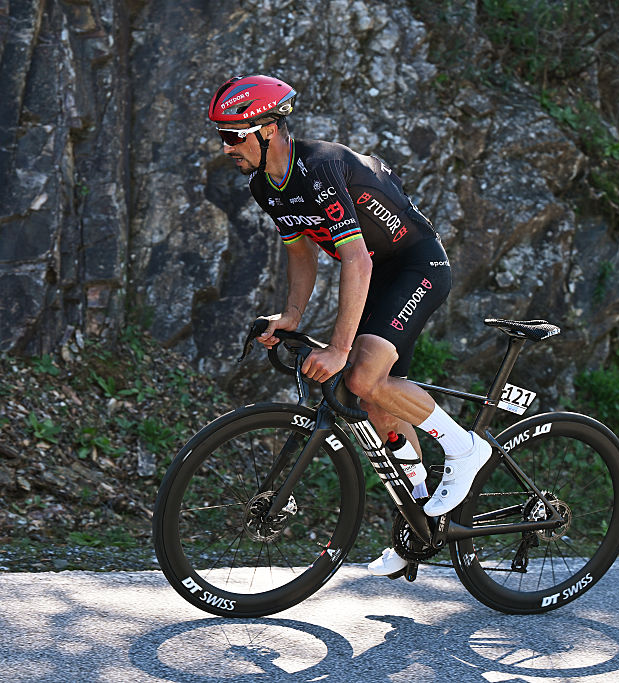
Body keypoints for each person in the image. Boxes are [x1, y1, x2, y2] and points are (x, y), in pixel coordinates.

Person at [208, 74, 491, 577]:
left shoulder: (320, 168)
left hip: (414, 267)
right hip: (380, 274)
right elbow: (300, 252)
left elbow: (355, 262)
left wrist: (339, 349)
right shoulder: (262, 183)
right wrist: (290, 317)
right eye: (222, 136)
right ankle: (419, 523)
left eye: (234, 135)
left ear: (269, 128)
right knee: (370, 398)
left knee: (360, 376)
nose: (226, 146)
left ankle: (464, 448)